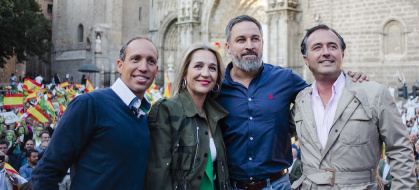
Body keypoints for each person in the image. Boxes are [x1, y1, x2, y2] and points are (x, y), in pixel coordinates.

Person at [216, 16, 368, 189]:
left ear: (262, 43)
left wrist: (347, 79)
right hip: (229, 185)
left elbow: (321, 94)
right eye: (241, 40)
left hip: (277, 185)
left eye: (255, 39)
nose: (249, 45)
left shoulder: (284, 78)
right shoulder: (216, 87)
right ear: (228, 47)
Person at [291, 24, 415, 189]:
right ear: (306, 59)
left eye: (332, 46)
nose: (326, 52)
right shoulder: (300, 101)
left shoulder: (374, 94)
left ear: (342, 54)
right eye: (317, 47)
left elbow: (400, 149)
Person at [31, 36, 159, 189]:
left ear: (156, 71)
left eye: (150, 61)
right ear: (120, 65)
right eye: (135, 59)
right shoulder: (89, 104)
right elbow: (45, 172)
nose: (143, 67)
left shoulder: (145, 117)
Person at [145, 43, 230, 190]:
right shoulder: (166, 110)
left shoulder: (216, 114)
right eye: (198, 66)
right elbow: (158, 174)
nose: (205, 73)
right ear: (184, 72)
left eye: (212, 68)